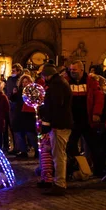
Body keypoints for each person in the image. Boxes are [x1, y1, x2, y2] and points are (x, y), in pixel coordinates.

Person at [65, 60, 105, 177]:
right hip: (73, 121)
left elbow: (99, 98)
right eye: (71, 70)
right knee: (70, 145)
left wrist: (96, 113)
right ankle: (77, 167)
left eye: (74, 70)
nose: (72, 72)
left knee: (95, 146)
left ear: (81, 70)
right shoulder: (66, 82)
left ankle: (99, 170)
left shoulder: (91, 82)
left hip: (87, 120)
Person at [39, 63, 73, 196]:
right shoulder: (60, 83)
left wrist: (46, 122)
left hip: (59, 124)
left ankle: (59, 184)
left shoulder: (56, 86)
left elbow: (55, 106)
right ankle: (58, 181)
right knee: (58, 154)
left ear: (47, 76)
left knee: (58, 155)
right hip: (62, 123)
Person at [10, 74, 39, 158]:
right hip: (19, 115)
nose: (24, 84)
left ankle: (37, 150)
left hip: (28, 115)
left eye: (26, 82)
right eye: (23, 82)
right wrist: (13, 93)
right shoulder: (19, 91)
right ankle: (23, 151)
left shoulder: (32, 91)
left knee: (30, 134)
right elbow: (13, 99)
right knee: (20, 133)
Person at [4, 63, 25, 154]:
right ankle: (14, 146)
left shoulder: (21, 80)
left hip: (17, 106)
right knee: (11, 127)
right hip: (10, 105)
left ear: (19, 71)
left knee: (17, 128)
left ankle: (19, 147)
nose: (12, 72)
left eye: (14, 71)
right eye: (12, 71)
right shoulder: (9, 80)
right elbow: (7, 91)